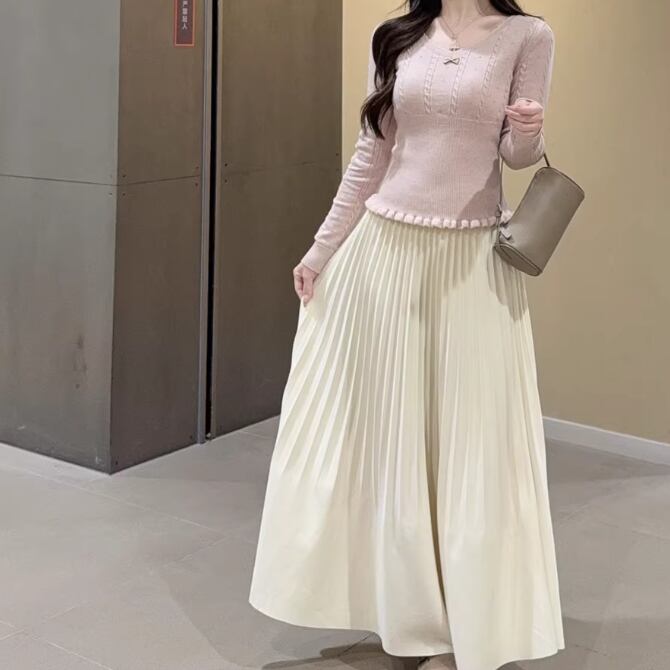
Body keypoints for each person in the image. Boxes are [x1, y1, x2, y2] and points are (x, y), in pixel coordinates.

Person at [249, 1, 565, 668]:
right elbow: (373, 155)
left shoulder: (528, 36)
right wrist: (321, 249)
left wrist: (529, 132)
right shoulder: (395, 35)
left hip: (472, 265)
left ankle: (460, 628)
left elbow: (516, 157)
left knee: (468, 442)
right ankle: (403, 612)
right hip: (385, 253)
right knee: (390, 437)